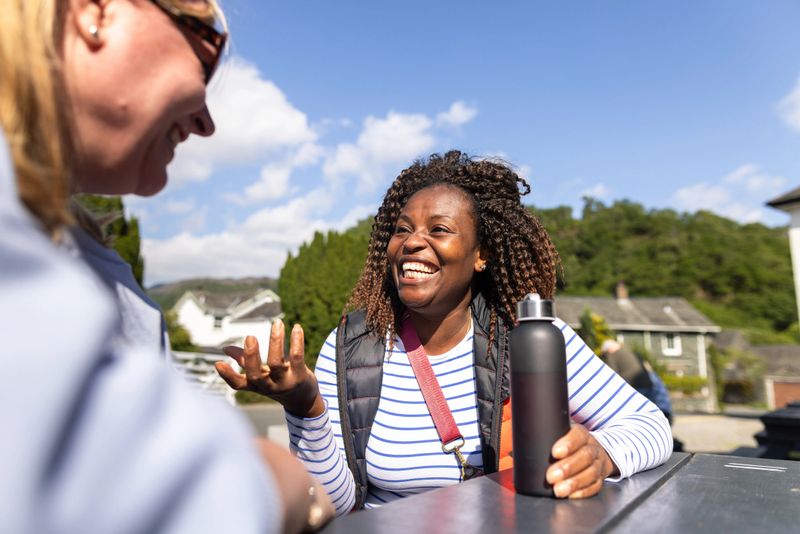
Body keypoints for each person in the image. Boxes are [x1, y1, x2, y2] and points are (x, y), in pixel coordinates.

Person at [0, 1, 333, 531]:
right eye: (207, 53)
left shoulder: (79, 249)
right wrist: (270, 478)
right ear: (95, 12)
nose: (205, 121)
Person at [218, 151, 673, 513]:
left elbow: (653, 426)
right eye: (402, 230)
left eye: (439, 229)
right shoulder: (350, 347)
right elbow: (334, 504)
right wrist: (305, 406)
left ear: (481, 255)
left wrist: (602, 453)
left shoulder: (529, 337)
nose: (413, 242)